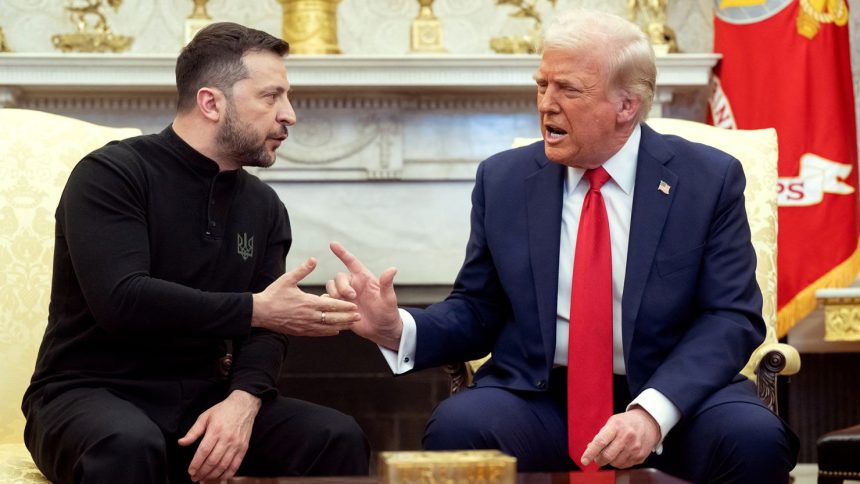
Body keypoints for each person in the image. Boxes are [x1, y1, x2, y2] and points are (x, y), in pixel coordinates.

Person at [324, 9, 798, 483]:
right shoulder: (505, 179)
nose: (546, 104)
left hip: (674, 394)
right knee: (459, 427)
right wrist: (396, 328)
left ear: (626, 105)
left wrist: (652, 413)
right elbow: (477, 308)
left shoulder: (707, 179)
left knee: (753, 438)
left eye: (568, 89)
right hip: (542, 395)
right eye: (542, 84)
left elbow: (730, 317)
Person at [22, 22, 369, 483]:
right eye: (271, 96)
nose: (290, 115)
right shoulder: (112, 174)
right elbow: (122, 301)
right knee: (126, 445)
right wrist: (255, 310)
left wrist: (243, 402)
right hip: (88, 393)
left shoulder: (264, 206)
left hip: (204, 400)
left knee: (335, 436)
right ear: (211, 102)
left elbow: (269, 328)